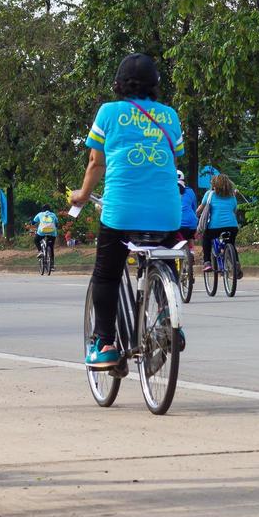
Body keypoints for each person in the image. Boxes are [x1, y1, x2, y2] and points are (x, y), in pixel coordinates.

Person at [69, 53, 186, 369]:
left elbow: (96, 162)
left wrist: (81, 195)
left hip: (122, 210)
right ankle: (167, 317)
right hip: (166, 210)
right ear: (155, 85)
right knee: (164, 252)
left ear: (118, 84)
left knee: (106, 275)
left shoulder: (108, 112)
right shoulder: (170, 116)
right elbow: (173, 160)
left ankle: (105, 343)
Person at [199, 173, 242, 274]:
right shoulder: (232, 196)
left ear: (214, 185)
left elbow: (200, 209)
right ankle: (236, 265)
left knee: (206, 238)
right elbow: (234, 210)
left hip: (215, 227)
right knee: (231, 243)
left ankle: (207, 262)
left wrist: (196, 214)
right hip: (232, 226)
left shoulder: (209, 194)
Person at [177, 174, 200, 272]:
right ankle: (191, 253)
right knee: (190, 237)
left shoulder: (169, 190)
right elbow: (194, 206)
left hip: (177, 222)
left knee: (174, 240)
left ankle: (176, 259)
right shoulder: (190, 191)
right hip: (191, 222)